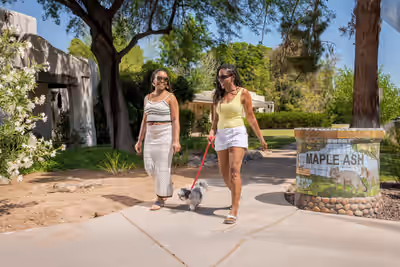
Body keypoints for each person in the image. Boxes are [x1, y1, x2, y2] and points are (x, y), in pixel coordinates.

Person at [208, 64, 268, 224]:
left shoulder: (243, 93)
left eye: (223, 77)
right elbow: (215, 119)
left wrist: (261, 138)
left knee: (234, 171)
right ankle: (236, 192)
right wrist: (212, 131)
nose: (220, 80)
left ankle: (233, 209)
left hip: (237, 134)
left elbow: (251, 117)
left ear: (231, 76)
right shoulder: (217, 96)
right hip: (221, 135)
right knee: (224, 175)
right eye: (218, 77)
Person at [135, 69, 181, 211]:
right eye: (159, 78)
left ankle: (160, 198)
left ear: (167, 84)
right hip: (150, 134)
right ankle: (166, 183)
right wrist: (139, 140)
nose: (162, 80)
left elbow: (175, 119)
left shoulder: (170, 98)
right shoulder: (147, 98)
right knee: (149, 167)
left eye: (165, 79)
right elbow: (144, 119)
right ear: (153, 81)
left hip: (165, 133)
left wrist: (176, 140)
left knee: (162, 167)